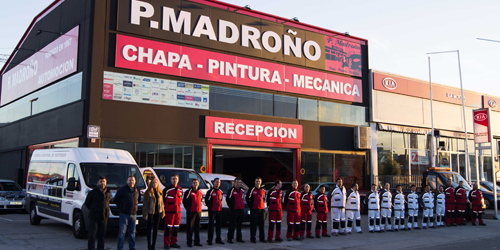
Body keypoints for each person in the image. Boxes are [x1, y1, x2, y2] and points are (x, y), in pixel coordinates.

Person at [84, 176, 111, 250]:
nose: (102, 183)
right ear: (97, 182)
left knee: (102, 235)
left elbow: (108, 202)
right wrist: (94, 210)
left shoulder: (108, 192)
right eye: (101, 181)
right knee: (92, 235)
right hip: (94, 216)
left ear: (106, 182)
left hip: (104, 217)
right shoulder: (92, 192)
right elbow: (87, 203)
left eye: (104, 181)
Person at [114, 176, 141, 250]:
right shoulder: (122, 190)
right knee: (122, 232)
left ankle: (132, 247)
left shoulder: (137, 190)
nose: (131, 182)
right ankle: (120, 248)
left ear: (135, 181)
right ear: (127, 181)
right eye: (129, 180)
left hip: (133, 214)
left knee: (132, 232)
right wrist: (122, 207)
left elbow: (138, 199)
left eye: (132, 180)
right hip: (124, 214)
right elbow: (116, 200)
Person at [143, 178, 165, 250]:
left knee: (156, 229)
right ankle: (149, 245)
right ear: (151, 184)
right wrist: (145, 214)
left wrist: (162, 212)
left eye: (156, 182)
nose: (154, 184)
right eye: (153, 182)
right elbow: (145, 204)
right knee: (149, 229)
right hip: (150, 212)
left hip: (157, 212)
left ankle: (153, 245)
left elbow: (161, 203)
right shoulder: (148, 192)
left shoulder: (160, 192)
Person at [163, 174, 183, 249]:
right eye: (173, 179)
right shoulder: (167, 189)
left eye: (176, 179)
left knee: (176, 228)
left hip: (178, 212)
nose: (175, 180)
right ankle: (166, 243)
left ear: (178, 180)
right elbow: (163, 200)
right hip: (169, 212)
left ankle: (173, 242)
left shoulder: (180, 189)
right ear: (171, 180)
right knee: (168, 228)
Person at [183, 179, 203, 247]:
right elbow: (184, 201)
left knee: (197, 227)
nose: (195, 184)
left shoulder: (200, 192)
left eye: (196, 183)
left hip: (198, 212)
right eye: (194, 183)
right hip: (191, 212)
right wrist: (188, 209)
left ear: (198, 184)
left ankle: (197, 241)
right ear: (192, 184)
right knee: (190, 227)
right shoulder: (188, 192)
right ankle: (189, 242)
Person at [246, 177, 266, 243]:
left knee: (262, 225)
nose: (258, 183)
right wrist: (251, 206)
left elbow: (264, 199)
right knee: (253, 225)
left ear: (261, 182)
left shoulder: (263, 190)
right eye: (257, 181)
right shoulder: (251, 189)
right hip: (254, 210)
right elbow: (247, 198)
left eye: (259, 181)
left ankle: (262, 238)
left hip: (262, 210)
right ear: (254, 182)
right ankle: (253, 238)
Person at [205, 178, 224, 245]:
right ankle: (209, 240)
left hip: (219, 211)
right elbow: (206, 201)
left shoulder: (221, 191)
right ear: (214, 183)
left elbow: (220, 200)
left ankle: (218, 239)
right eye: (216, 182)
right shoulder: (210, 192)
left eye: (219, 182)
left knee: (218, 226)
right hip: (212, 211)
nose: (217, 183)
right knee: (211, 226)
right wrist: (210, 207)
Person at [226, 178, 245, 244]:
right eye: (237, 182)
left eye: (239, 182)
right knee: (232, 225)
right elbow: (228, 199)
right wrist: (232, 207)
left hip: (240, 209)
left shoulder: (242, 190)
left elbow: (243, 199)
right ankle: (230, 238)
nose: (238, 184)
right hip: (234, 210)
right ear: (234, 183)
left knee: (239, 225)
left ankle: (239, 238)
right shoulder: (231, 190)